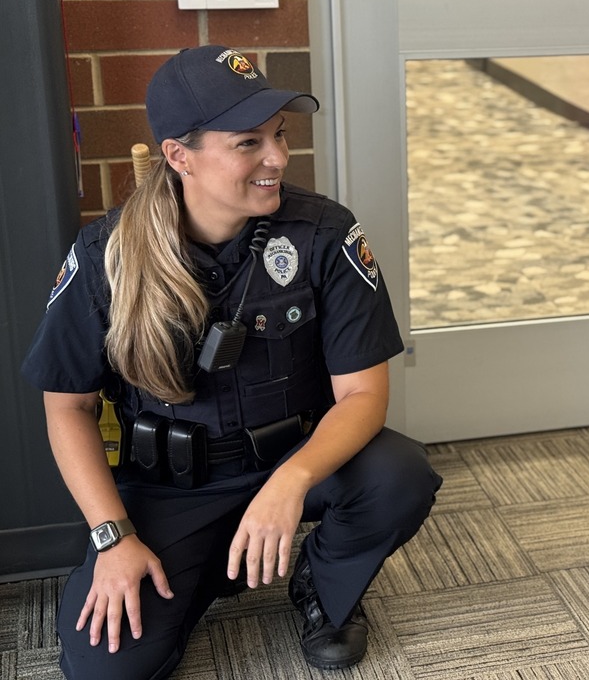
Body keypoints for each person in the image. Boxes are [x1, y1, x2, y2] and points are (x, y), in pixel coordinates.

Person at [22, 45, 443, 679]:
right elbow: (69, 408)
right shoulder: (108, 255)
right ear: (178, 155)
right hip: (172, 488)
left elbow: (362, 396)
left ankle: (321, 587)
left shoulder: (324, 236)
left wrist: (289, 482)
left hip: (291, 459)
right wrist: (113, 536)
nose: (278, 158)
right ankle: (203, 566)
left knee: (399, 475)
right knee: (105, 669)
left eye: (278, 135)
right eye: (248, 143)